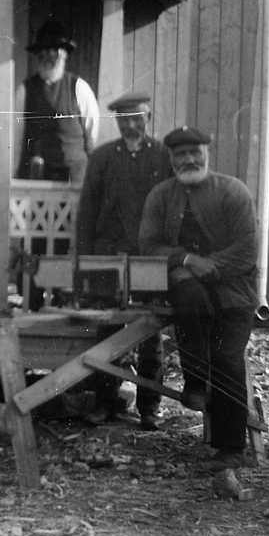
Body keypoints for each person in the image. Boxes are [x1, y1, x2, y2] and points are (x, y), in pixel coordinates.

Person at [140, 125, 259, 471]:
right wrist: (187, 260)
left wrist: (210, 266)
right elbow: (147, 245)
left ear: (208, 152)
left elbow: (247, 250)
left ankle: (231, 449)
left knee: (226, 357)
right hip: (186, 287)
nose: (189, 159)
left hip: (234, 291)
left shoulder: (233, 192)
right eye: (181, 154)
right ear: (172, 159)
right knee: (189, 294)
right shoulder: (161, 196)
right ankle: (194, 382)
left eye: (196, 152)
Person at [73, 92, 173, 430]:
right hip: (107, 254)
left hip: (149, 256)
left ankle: (148, 407)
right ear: (116, 122)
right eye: (123, 119)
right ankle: (105, 402)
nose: (131, 125)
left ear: (148, 116)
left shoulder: (164, 156)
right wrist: (83, 260)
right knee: (107, 328)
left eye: (137, 118)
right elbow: (87, 211)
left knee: (149, 329)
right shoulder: (102, 158)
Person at [14, 20, 99, 183]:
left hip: (74, 178)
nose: (48, 55)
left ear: (65, 54)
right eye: (43, 50)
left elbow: (93, 137)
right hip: (36, 177)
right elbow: (15, 139)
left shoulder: (79, 88)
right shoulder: (24, 90)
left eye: (54, 50)